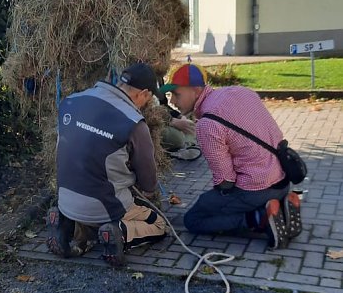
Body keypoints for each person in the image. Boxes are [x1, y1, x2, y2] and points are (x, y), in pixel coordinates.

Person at [159, 64, 302, 249]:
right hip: (283, 180)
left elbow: (225, 181)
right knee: (217, 201)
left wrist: (217, 200)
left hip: (256, 190)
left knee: (194, 219)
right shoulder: (241, 92)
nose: (172, 101)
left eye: (176, 94)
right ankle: (280, 207)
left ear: (196, 90)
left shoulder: (207, 124)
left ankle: (259, 219)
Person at [47, 62, 167, 266]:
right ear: (144, 93)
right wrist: (147, 191)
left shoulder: (71, 101)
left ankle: (69, 227)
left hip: (65, 198)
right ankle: (120, 233)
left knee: (89, 211)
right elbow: (148, 181)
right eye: (149, 99)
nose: (146, 104)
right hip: (104, 205)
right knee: (158, 224)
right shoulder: (133, 121)